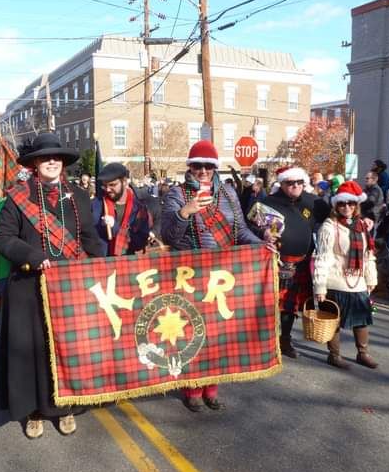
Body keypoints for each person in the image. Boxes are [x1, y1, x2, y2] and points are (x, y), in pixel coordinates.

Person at [0, 132, 104, 439]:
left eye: (56, 157)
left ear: (63, 162)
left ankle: (66, 406)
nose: (52, 162)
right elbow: (3, 238)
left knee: (67, 348)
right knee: (32, 351)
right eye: (45, 158)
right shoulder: (18, 197)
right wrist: (32, 256)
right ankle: (33, 411)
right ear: (35, 164)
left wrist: (105, 260)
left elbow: (89, 238)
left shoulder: (80, 197)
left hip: (69, 286)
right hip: (29, 285)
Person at [162, 140, 264, 412]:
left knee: (219, 334)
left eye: (209, 166)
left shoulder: (229, 194)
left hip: (223, 274)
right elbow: (168, 236)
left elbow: (241, 232)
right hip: (191, 274)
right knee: (194, 332)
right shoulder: (177, 194)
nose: (203, 170)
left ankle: (212, 387)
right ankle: (192, 387)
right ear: (190, 167)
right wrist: (186, 212)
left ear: (215, 168)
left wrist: (262, 246)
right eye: (198, 166)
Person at [249, 166, 327, 359]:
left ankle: (284, 340)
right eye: (290, 183)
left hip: (302, 262)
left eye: (299, 182)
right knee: (269, 304)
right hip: (276, 261)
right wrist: (262, 233)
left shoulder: (313, 201)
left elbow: (335, 216)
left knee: (290, 308)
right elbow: (248, 224)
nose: (295, 186)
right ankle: (263, 341)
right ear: (282, 183)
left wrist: (363, 219)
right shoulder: (268, 202)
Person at [313, 181, 378, 369]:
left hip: (357, 281)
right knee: (332, 320)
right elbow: (321, 258)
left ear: (356, 205)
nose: (346, 207)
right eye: (342, 203)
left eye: (351, 203)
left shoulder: (362, 226)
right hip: (335, 282)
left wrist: (371, 278)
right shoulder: (329, 226)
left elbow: (368, 255)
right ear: (335, 205)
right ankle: (334, 355)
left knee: (362, 320)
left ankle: (363, 353)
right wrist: (320, 287)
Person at [92, 162, 151, 256]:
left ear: (124, 182)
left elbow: (140, 243)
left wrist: (116, 229)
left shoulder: (139, 209)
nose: (107, 189)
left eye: (112, 185)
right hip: (103, 262)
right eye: (105, 186)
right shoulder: (96, 205)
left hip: (127, 262)